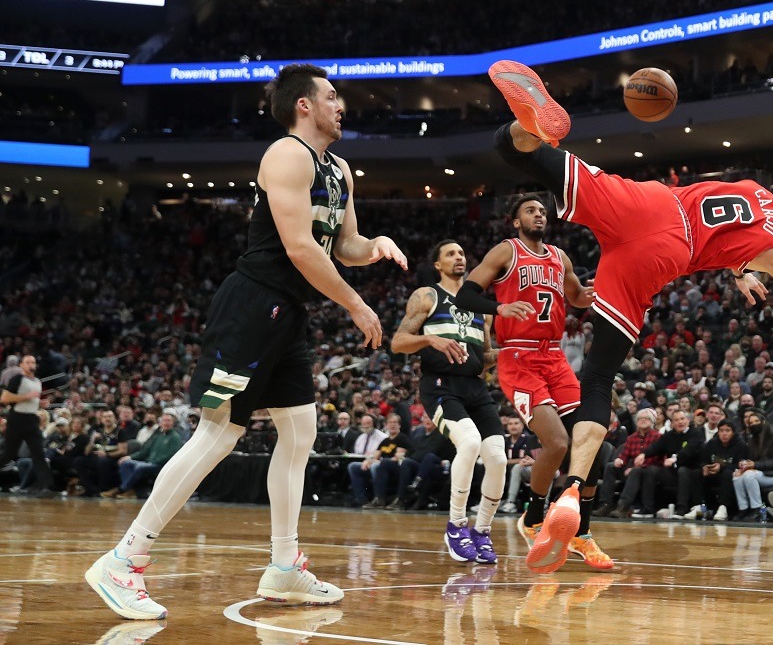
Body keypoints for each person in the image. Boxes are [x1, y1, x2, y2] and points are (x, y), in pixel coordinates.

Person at [486, 60, 773, 569]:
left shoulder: (757, 190)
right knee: (597, 376)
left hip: (649, 203)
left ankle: (528, 124)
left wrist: (738, 270)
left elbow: (723, 222)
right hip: (663, 254)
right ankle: (572, 493)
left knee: (521, 153)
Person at [87, 63, 407, 620]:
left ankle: (284, 567)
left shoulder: (340, 170)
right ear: (303, 105)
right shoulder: (286, 154)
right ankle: (124, 559)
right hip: (254, 304)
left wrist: (374, 243)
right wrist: (355, 303)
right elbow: (304, 249)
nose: (341, 105)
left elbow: (345, 244)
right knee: (219, 433)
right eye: (331, 97)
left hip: (289, 314)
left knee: (301, 429)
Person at [451, 193, 611, 572]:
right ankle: (534, 516)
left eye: (542, 211)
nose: (539, 215)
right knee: (556, 442)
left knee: (595, 445)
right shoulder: (506, 252)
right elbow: (466, 294)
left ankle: (581, 533)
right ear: (516, 221)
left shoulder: (559, 256)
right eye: (530, 211)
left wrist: (593, 295)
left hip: (554, 356)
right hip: (518, 357)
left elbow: (575, 296)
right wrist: (500, 307)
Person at [391, 239, 507, 565]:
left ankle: (482, 531)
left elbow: (483, 357)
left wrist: (510, 354)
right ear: (438, 265)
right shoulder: (427, 295)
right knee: (469, 443)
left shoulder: (479, 305)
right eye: (450, 254)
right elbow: (398, 342)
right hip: (440, 386)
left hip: (475, 387)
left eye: (461, 252)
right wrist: (431, 339)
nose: (459, 257)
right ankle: (456, 525)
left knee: (497, 457)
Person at [0, 354, 53, 496]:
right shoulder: (17, 379)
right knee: (8, 454)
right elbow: (4, 398)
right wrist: (27, 396)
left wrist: (41, 403)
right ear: (21, 365)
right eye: (28, 362)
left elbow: (32, 402)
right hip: (17, 419)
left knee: (38, 453)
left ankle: (45, 487)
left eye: (33, 362)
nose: (31, 364)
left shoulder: (37, 381)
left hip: (31, 419)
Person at [101, 413, 184, 500]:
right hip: (149, 462)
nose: (166, 423)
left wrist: (152, 462)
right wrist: (130, 457)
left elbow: (171, 456)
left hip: (161, 466)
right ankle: (130, 490)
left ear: (173, 423)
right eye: (164, 420)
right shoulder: (157, 436)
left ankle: (121, 489)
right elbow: (145, 451)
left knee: (139, 467)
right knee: (125, 463)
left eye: (168, 421)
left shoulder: (175, 437)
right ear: (160, 423)